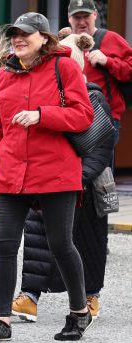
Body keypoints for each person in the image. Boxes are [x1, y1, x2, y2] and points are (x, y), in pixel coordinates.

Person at [0, 12, 95, 343]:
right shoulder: (4, 74)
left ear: (44, 38)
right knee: (4, 246)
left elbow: (83, 115)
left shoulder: (64, 67)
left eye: (26, 34)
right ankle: (1, 321)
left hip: (55, 171)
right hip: (11, 172)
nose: (18, 39)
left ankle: (79, 312)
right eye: (15, 34)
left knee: (60, 244)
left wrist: (42, 115)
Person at [13, 29, 111, 322]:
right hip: (46, 178)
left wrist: (77, 177)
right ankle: (30, 295)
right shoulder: (45, 92)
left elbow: (102, 147)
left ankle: (90, 295)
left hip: (84, 184)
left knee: (87, 242)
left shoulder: (93, 96)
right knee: (36, 240)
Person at [67, 0, 132, 160]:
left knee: (99, 172)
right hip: (72, 119)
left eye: (86, 16)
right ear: (69, 18)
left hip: (103, 119)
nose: (82, 22)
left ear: (95, 15)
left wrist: (108, 61)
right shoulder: (65, 44)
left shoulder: (111, 39)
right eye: (77, 17)